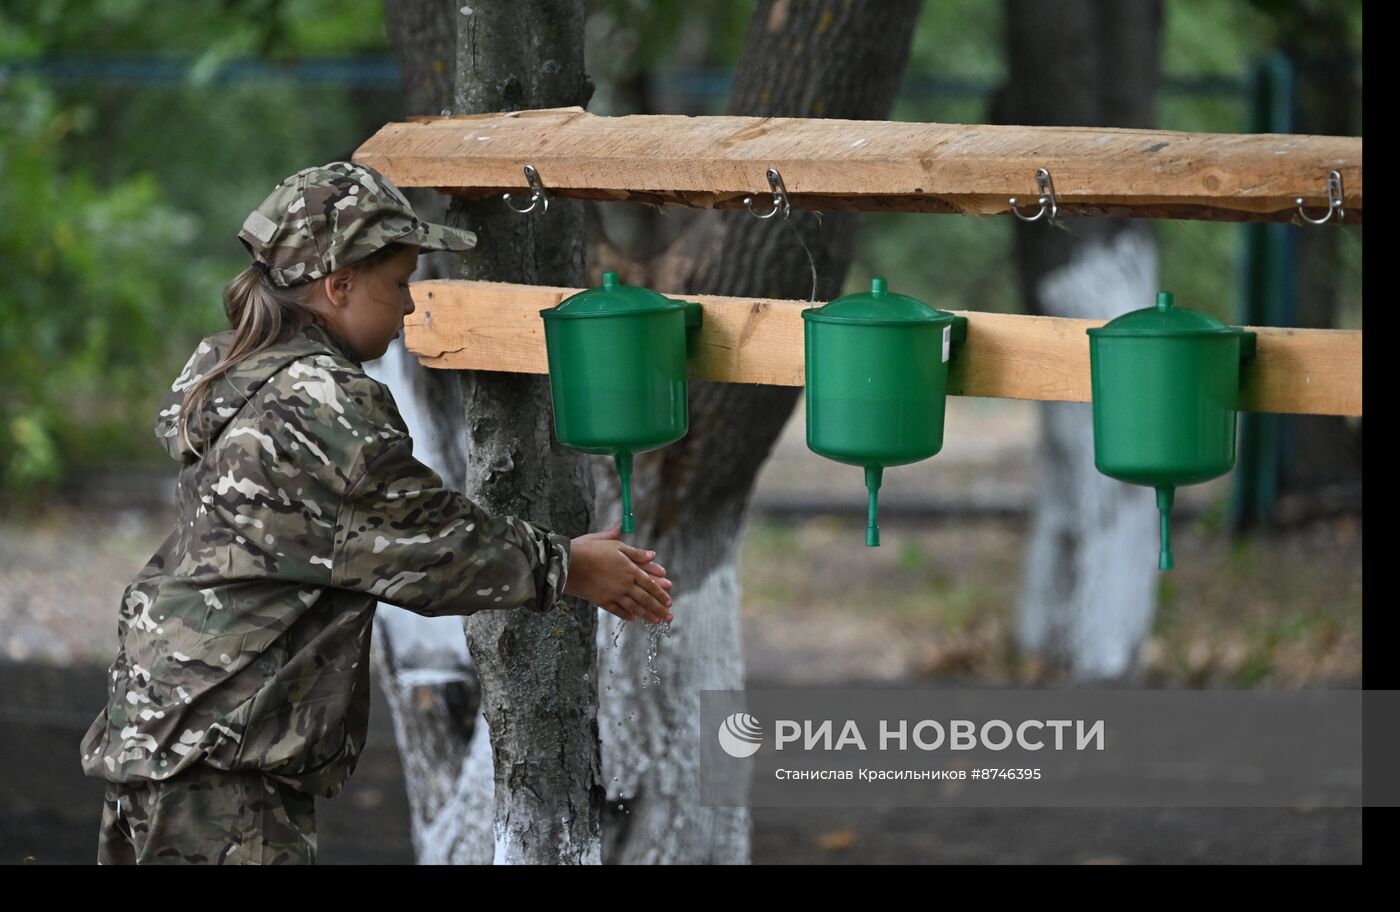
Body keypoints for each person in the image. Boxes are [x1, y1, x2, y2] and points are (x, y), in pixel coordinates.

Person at [79, 161, 674, 865]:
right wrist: (568, 565)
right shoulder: (319, 405)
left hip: (166, 738)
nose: (411, 306)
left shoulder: (247, 378)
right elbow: (427, 544)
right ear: (339, 286)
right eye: (398, 285)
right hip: (220, 769)